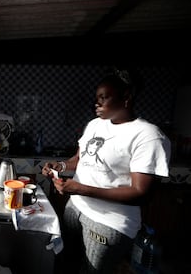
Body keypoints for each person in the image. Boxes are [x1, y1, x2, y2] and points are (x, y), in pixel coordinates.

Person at [42, 68, 171, 273]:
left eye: (104, 97)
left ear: (126, 97)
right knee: (65, 262)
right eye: (97, 98)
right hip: (75, 208)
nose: (97, 103)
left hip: (108, 221)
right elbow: (80, 158)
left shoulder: (148, 136)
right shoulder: (95, 125)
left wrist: (81, 189)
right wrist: (62, 166)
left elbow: (140, 194)